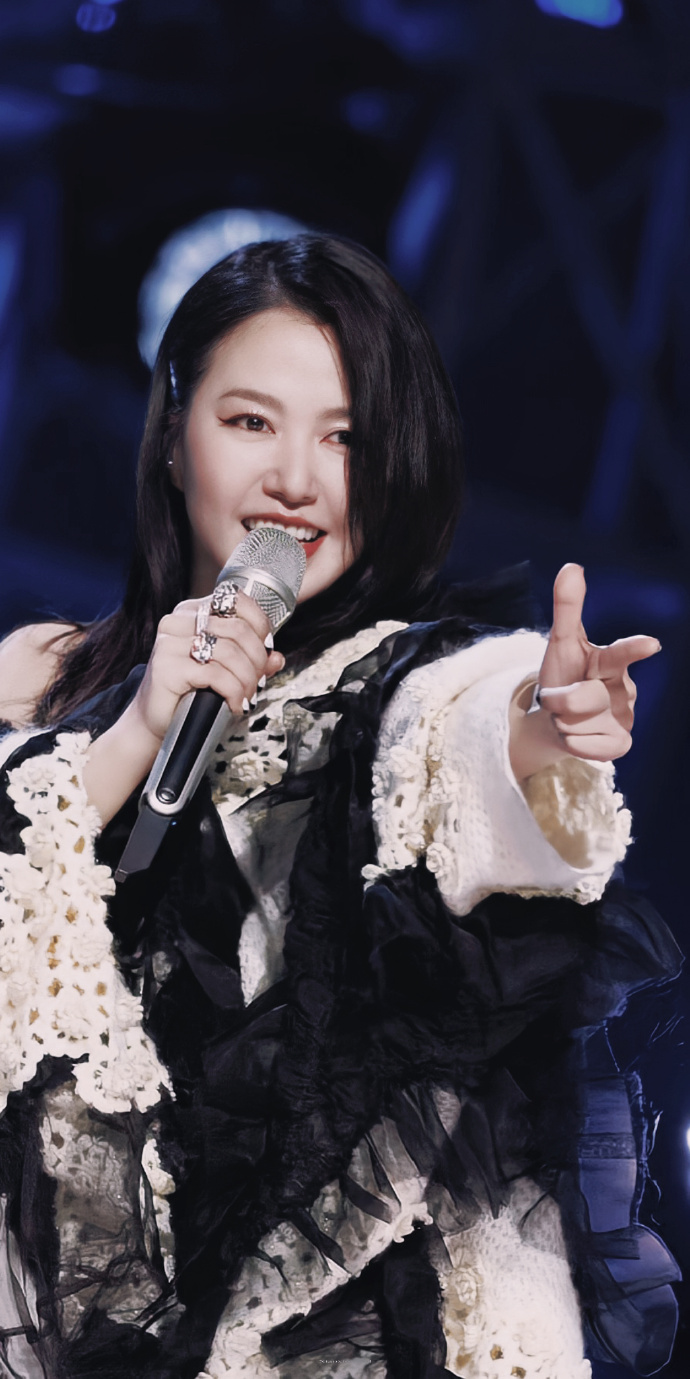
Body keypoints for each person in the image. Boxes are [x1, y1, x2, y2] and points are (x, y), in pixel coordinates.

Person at [0, 235, 681, 1379]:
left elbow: (461, 735)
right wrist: (135, 731)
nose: (296, 480)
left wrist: (542, 723)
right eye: (250, 421)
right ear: (172, 434)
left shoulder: (404, 682)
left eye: (345, 437)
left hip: (314, 1324)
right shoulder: (44, 673)